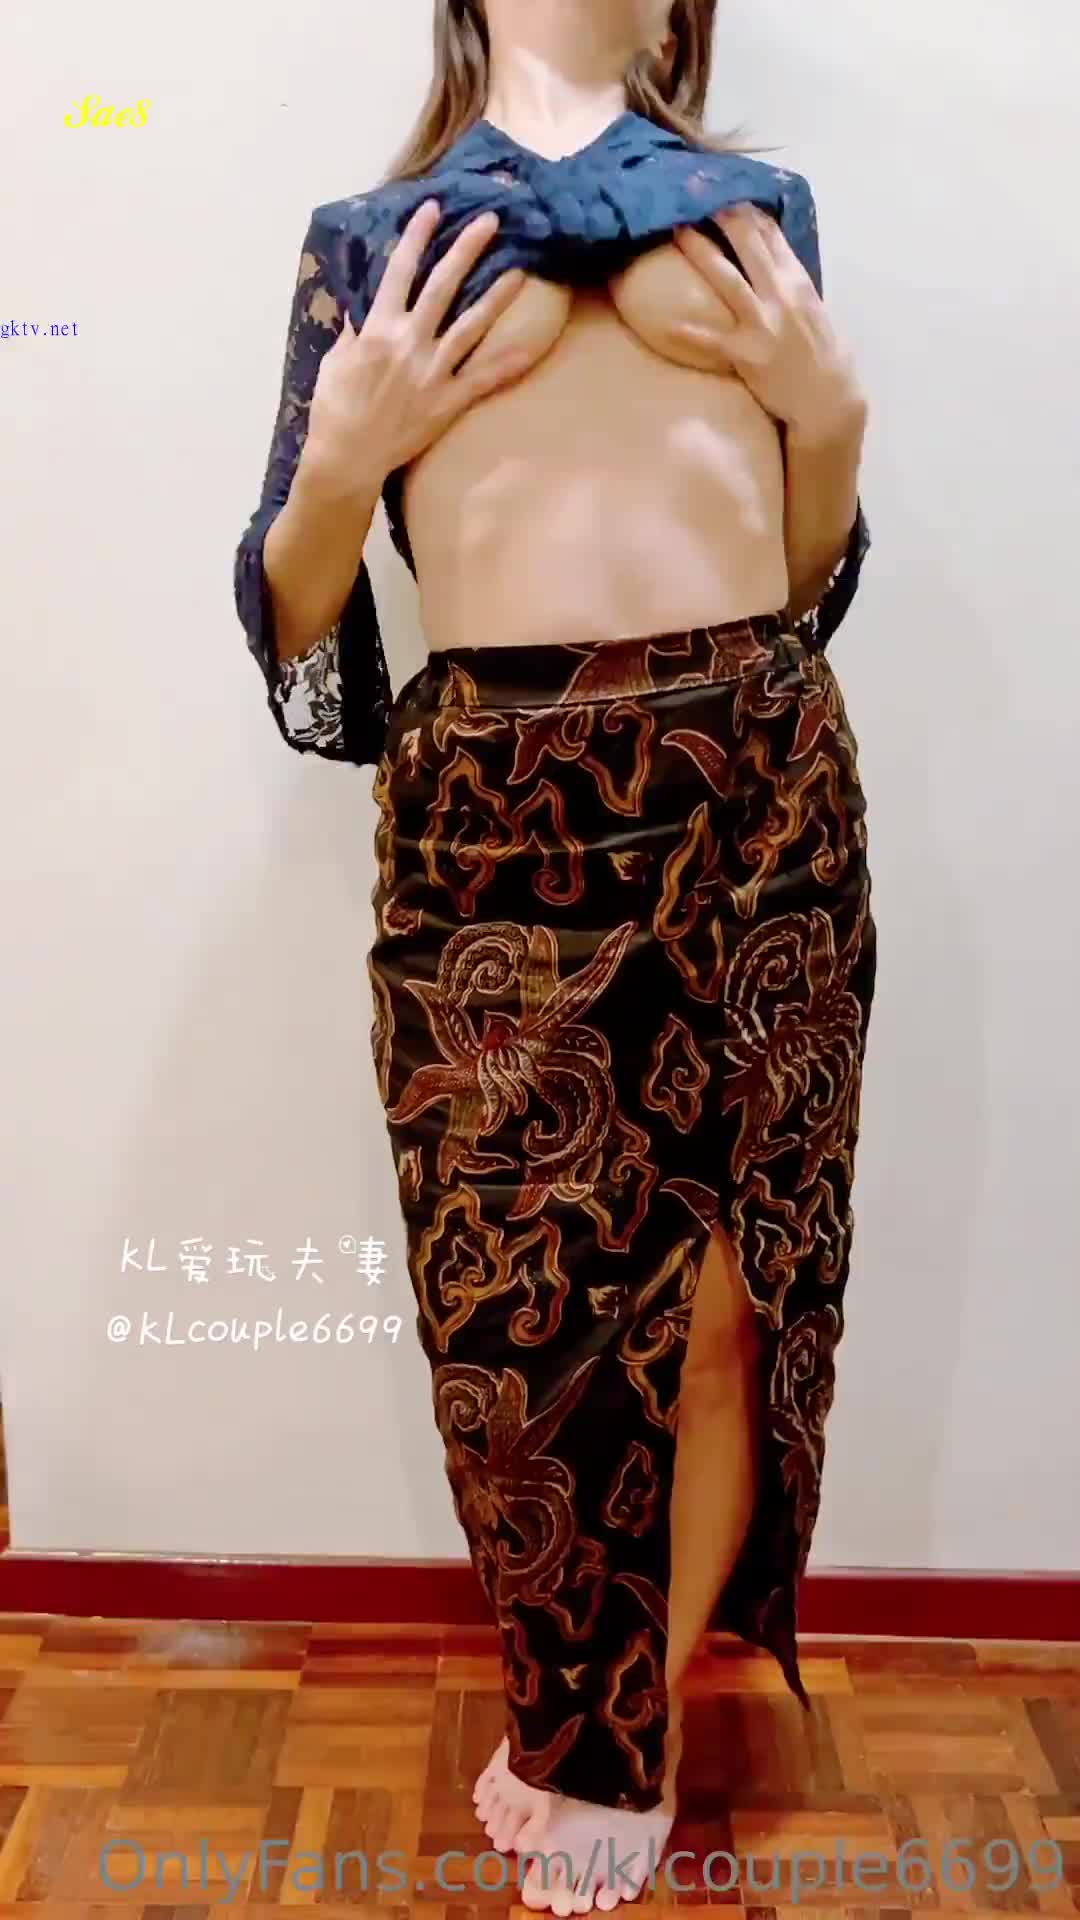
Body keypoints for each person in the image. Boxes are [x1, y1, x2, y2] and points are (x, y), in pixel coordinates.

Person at [233, 1, 876, 1909]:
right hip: (491, 828)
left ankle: (624, 1740)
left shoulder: (758, 215)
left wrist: (833, 419)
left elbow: (807, 569)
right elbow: (300, 618)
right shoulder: (372, 245)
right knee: (515, 1331)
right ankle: (586, 1711)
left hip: (756, 799)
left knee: (735, 1293)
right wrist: (347, 455)